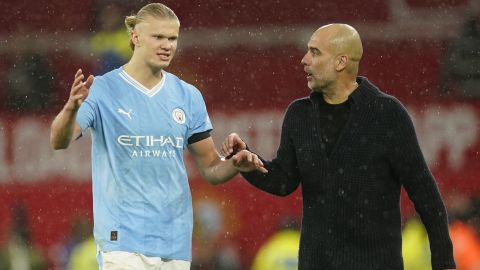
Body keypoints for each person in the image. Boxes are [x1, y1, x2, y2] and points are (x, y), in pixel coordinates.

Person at [49, 3, 266, 270]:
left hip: (175, 242)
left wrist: (235, 164)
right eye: (158, 37)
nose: (167, 45)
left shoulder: (188, 96)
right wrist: (71, 109)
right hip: (123, 242)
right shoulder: (103, 89)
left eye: (172, 38)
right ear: (135, 37)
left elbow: (210, 168)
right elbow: (59, 141)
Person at [222, 24, 456, 270]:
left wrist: (444, 263)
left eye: (315, 52)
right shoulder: (298, 115)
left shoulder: (387, 114)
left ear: (341, 61)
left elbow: (425, 193)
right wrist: (248, 163)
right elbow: (283, 181)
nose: (304, 60)